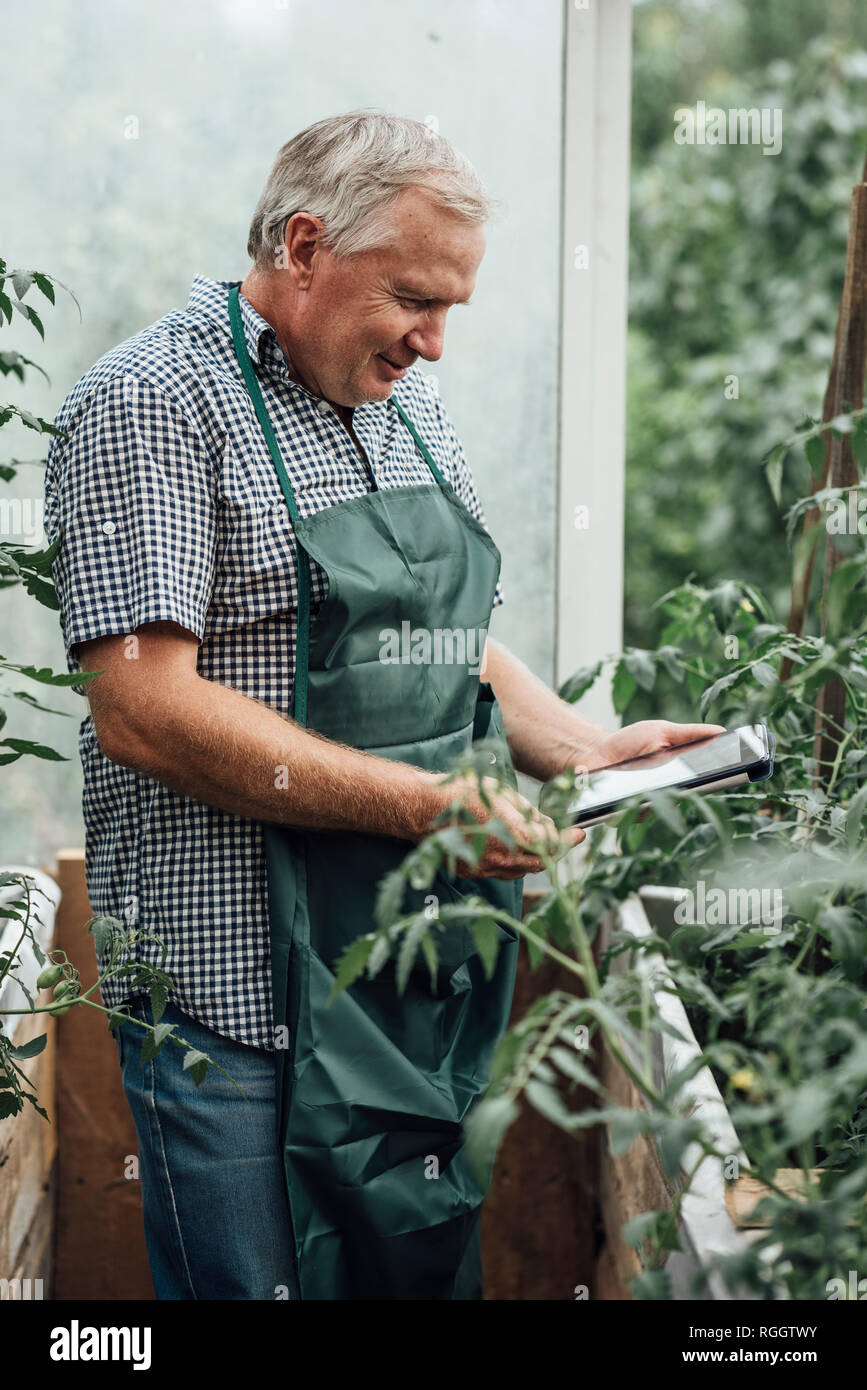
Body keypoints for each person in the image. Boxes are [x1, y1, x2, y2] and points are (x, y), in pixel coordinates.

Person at [44, 110, 718, 1300]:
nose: (439, 340)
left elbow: (443, 639)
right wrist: (426, 808)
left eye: (453, 304)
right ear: (305, 245)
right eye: (416, 296)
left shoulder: (396, 398)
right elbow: (141, 705)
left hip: (394, 993)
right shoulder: (154, 401)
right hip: (234, 1010)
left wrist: (587, 748)